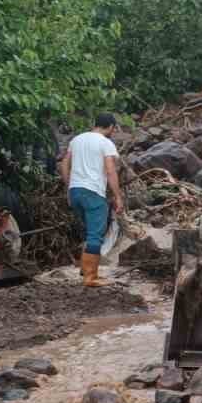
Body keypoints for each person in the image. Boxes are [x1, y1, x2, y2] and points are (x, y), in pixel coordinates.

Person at [58, 113, 124, 286]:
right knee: (96, 234)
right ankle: (90, 277)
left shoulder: (77, 140)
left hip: (75, 191)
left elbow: (64, 164)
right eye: (113, 128)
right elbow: (110, 170)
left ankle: (84, 269)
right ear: (110, 126)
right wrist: (117, 196)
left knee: (89, 230)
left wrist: (69, 186)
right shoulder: (106, 143)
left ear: (95, 123)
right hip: (93, 192)